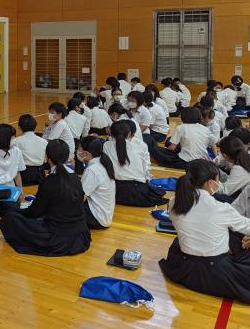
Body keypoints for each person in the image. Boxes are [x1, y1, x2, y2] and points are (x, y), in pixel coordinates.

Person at [159, 160, 250, 304]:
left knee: (179, 241)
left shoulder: (173, 202)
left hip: (184, 268)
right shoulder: (220, 208)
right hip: (216, 272)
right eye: (217, 180)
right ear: (209, 183)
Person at [0, 139, 91, 256]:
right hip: (80, 234)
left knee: (11, 217)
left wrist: (17, 211)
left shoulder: (49, 181)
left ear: (48, 156)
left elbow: (35, 212)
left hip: (57, 237)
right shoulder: (75, 178)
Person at [105, 120, 168, 206]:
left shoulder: (106, 145)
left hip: (115, 190)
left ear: (111, 133)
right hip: (138, 191)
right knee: (158, 191)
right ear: (129, 133)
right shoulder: (140, 146)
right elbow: (146, 169)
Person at [78, 136, 116, 230]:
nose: (77, 152)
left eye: (79, 149)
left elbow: (80, 198)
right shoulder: (102, 162)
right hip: (103, 214)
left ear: (86, 153)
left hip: (96, 218)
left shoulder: (92, 170)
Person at [15, 113, 47, 186]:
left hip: (23, 174)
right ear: (35, 126)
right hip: (40, 174)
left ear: (19, 127)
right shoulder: (44, 141)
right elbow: (45, 160)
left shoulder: (16, 141)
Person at [215, 136, 250, 201]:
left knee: (214, 196)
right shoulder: (245, 159)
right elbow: (233, 180)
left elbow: (225, 191)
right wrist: (217, 170)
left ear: (224, 155)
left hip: (246, 202)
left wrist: (213, 181)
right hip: (244, 193)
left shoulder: (238, 168)